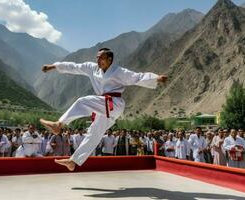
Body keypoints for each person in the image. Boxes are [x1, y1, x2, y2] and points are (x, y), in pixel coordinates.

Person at [39, 48, 167, 171]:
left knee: (83, 101)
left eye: (101, 58)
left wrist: (156, 78)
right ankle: (73, 161)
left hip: (114, 104)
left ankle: (59, 124)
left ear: (110, 59)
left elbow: (137, 77)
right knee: (94, 133)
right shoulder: (92, 68)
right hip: (103, 106)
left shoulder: (119, 72)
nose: (98, 60)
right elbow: (74, 67)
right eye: (97, 58)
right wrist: (54, 66)